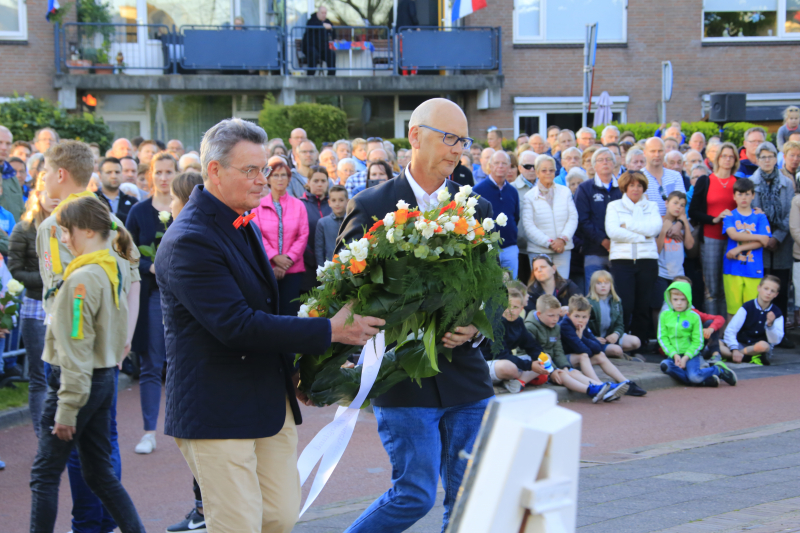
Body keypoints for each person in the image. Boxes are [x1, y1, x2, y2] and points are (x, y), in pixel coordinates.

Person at [155, 118, 383, 533]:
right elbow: (237, 325)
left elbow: (265, 308)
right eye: (252, 171)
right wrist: (329, 330)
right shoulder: (190, 239)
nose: (265, 181)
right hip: (217, 410)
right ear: (214, 172)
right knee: (239, 525)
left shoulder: (240, 221)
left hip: (267, 400)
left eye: (266, 168)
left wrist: (291, 369)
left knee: (278, 517)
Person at [337, 98, 495, 533]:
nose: (457, 149)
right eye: (448, 137)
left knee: (470, 497)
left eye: (462, 140)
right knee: (416, 494)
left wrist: (474, 329)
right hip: (402, 377)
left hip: (466, 376)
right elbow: (343, 292)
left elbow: (492, 294)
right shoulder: (371, 205)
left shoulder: (475, 209)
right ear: (414, 136)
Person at [36, 140, 142, 533]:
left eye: (46, 171)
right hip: (109, 354)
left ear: (61, 174)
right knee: (103, 446)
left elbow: (57, 295)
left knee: (62, 462)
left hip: (74, 355)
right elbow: (132, 284)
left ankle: (88, 523)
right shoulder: (110, 220)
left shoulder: (57, 225)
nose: (43, 178)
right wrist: (122, 342)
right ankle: (104, 523)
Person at [125, 152, 176, 455]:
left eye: (170, 172)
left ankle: (182, 425)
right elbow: (127, 252)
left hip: (184, 296)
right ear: (150, 175)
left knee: (183, 362)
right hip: (153, 295)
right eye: (159, 172)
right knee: (151, 364)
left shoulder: (185, 208)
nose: (164, 177)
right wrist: (149, 266)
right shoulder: (138, 212)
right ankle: (148, 432)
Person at [9, 179, 59, 437]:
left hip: (64, 306)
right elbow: (15, 270)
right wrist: (46, 278)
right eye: (46, 192)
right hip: (35, 306)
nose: (53, 196)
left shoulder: (69, 226)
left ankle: (63, 430)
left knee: (61, 373)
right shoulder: (23, 228)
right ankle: (43, 437)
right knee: (40, 375)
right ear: (37, 195)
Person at [524, 294, 626, 403]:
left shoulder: (555, 326)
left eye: (558, 315)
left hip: (552, 363)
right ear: (539, 314)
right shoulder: (530, 327)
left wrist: (564, 366)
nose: (555, 319)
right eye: (551, 315)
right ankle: (592, 390)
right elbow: (535, 353)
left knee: (573, 373)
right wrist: (554, 370)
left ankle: (603, 387)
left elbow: (558, 351)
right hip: (537, 365)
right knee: (562, 375)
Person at [605, 170, 662, 342]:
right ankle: (621, 341)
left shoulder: (651, 206)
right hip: (622, 262)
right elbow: (613, 232)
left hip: (647, 261)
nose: (636, 189)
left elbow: (655, 229)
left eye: (639, 186)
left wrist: (628, 225)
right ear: (625, 187)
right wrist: (642, 237)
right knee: (625, 304)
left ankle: (640, 343)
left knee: (643, 305)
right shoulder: (614, 206)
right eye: (632, 185)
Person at [252, 156, 308, 318]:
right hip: (267, 268)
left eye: (284, 175)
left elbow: (303, 235)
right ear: (268, 179)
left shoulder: (298, 205)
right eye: (275, 175)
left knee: (289, 312)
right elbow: (258, 235)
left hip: (293, 268)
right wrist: (275, 258)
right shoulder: (258, 206)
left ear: (289, 179)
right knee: (267, 312)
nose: (280, 179)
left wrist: (286, 261)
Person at [688, 142, 739, 316]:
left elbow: (747, 206)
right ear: (717, 158)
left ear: (735, 160)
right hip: (710, 238)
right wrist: (714, 219)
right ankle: (712, 330)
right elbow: (693, 211)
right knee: (711, 289)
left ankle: (727, 331)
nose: (727, 159)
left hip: (733, 240)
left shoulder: (739, 182)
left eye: (730, 156)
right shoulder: (705, 181)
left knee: (728, 288)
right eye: (724, 155)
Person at [751, 141, 794, 342]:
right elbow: (753, 215)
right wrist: (766, 238)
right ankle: (760, 330)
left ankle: (780, 331)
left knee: (781, 289)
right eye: (763, 157)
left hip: (782, 243)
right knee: (762, 288)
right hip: (760, 244)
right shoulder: (752, 183)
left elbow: (790, 214)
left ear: (776, 159)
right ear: (757, 159)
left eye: (770, 157)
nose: (767, 161)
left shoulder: (787, 183)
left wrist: (777, 237)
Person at [559, 295, 642, 396]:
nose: (580, 320)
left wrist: (582, 338)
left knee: (601, 355)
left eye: (584, 317)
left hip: (577, 358)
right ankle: (600, 386)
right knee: (583, 356)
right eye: (576, 316)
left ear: (588, 317)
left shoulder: (583, 324)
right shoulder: (565, 326)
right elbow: (583, 350)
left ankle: (625, 382)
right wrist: (583, 339)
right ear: (568, 315)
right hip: (564, 361)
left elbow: (598, 348)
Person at [659, 281, 737, 387]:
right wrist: (674, 354)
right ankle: (705, 381)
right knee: (665, 365)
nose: (679, 303)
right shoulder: (664, 315)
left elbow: (698, 341)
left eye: (683, 299)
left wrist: (686, 357)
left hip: (691, 355)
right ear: (670, 299)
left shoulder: (694, 316)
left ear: (688, 299)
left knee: (694, 376)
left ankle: (718, 370)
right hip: (673, 356)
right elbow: (662, 337)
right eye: (675, 299)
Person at [480, 287, 549, 394]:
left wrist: (542, 360)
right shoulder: (495, 323)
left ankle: (516, 382)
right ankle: (518, 379)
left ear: (521, 309)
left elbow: (532, 346)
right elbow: (501, 355)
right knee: (508, 367)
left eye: (515, 307)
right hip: (487, 363)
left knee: (545, 358)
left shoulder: (519, 322)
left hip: (506, 361)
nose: (510, 311)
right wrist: (530, 366)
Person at [522, 155, 578, 278]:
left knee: (561, 287)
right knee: (541, 288)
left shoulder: (565, 192)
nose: (548, 173)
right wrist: (550, 243)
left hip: (563, 249)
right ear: (537, 172)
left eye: (551, 170)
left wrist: (562, 239)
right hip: (539, 251)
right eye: (544, 170)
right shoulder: (529, 196)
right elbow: (528, 226)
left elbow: (573, 217)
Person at [722, 178, 770, 320]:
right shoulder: (730, 215)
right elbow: (733, 235)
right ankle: (732, 340)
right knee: (733, 310)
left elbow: (765, 241)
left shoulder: (760, 216)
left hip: (754, 269)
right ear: (734, 196)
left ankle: (749, 339)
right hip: (732, 269)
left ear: (753, 195)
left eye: (747, 194)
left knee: (752, 309)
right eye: (740, 194)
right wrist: (759, 237)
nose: (744, 197)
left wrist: (738, 250)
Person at [575, 147, 622, 290]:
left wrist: (615, 241)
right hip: (593, 251)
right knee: (594, 293)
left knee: (617, 292)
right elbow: (582, 220)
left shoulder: (623, 188)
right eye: (600, 160)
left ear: (614, 164)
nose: (605, 163)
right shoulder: (584, 188)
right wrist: (603, 240)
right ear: (594, 166)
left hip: (620, 250)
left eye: (609, 159)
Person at [474, 150, 520, 278]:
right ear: (490, 165)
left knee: (512, 289)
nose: (500, 166)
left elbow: (516, 217)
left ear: (509, 166)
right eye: (497, 163)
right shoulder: (477, 191)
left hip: (510, 247)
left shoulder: (513, 192)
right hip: (488, 249)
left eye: (504, 163)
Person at [654, 191, 695, 332]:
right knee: (658, 306)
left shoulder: (682, 224)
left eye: (682, 205)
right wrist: (664, 231)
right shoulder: (658, 221)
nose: (678, 207)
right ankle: (658, 337)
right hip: (661, 272)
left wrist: (685, 223)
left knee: (679, 305)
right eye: (675, 203)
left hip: (678, 274)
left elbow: (689, 245)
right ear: (666, 203)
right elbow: (656, 250)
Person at [723, 276, 783, 365]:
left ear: (776, 294)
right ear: (759, 288)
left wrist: (770, 325)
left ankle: (735, 355)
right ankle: (745, 357)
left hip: (757, 348)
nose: (768, 293)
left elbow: (775, 341)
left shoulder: (776, 312)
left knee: (764, 346)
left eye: (772, 291)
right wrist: (735, 349)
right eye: (766, 289)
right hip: (740, 343)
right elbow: (731, 330)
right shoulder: (747, 307)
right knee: (717, 343)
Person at [587, 269, 642, 354]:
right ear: (593, 285)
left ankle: (609, 351)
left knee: (636, 342)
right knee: (617, 351)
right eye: (599, 283)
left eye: (606, 283)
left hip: (610, 338)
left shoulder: (616, 301)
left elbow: (620, 325)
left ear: (611, 285)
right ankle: (609, 353)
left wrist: (616, 334)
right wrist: (594, 338)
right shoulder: (587, 302)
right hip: (594, 339)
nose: (603, 286)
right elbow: (584, 327)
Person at [300, 165, 332, 292]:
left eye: (323, 181)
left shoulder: (334, 203)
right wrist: (312, 257)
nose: (320, 184)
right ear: (308, 182)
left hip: (332, 261)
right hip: (308, 264)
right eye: (316, 181)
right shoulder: (301, 204)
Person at [642, 137, 685, 216]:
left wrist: (678, 225)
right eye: (653, 151)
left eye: (660, 151)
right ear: (645, 153)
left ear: (665, 152)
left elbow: (682, 205)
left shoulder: (676, 176)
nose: (657, 155)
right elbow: (644, 209)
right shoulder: (639, 177)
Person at [98, 157, 139, 224]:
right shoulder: (93, 199)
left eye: (117, 172)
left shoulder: (133, 202)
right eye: (109, 172)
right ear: (100, 176)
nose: (114, 176)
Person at [315, 184, 347, 265]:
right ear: (329, 202)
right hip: (331, 267)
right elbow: (319, 250)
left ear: (348, 201)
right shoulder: (322, 223)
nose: (337, 203)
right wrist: (322, 271)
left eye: (341, 200)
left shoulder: (352, 221)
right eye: (333, 200)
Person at [0, 126, 25, 221]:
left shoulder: (11, 175)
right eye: (0, 142)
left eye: (8, 144)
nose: (4, 148)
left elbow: (21, 210)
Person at [303, 6, 335, 76]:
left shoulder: (327, 21)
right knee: (313, 54)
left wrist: (332, 30)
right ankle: (310, 77)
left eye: (325, 13)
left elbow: (332, 30)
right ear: (318, 13)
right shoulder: (311, 20)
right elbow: (312, 25)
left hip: (322, 48)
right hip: (311, 46)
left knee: (331, 54)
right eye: (322, 13)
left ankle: (331, 77)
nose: (324, 15)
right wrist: (323, 25)